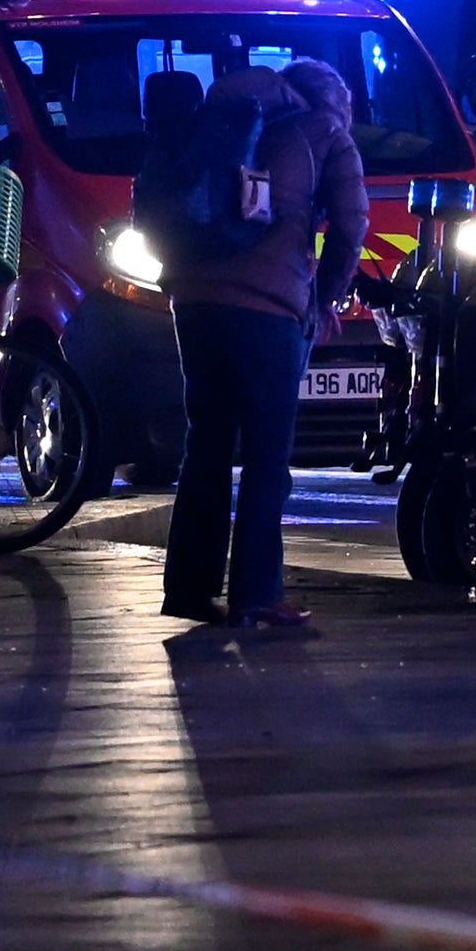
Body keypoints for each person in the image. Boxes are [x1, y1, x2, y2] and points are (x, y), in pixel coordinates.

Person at [157, 52, 368, 638]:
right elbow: (353, 224)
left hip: (193, 297)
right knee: (267, 456)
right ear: (334, 100)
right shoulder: (326, 131)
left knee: (206, 444)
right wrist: (324, 297)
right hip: (267, 310)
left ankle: (190, 588)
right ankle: (256, 595)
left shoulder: (227, 115)